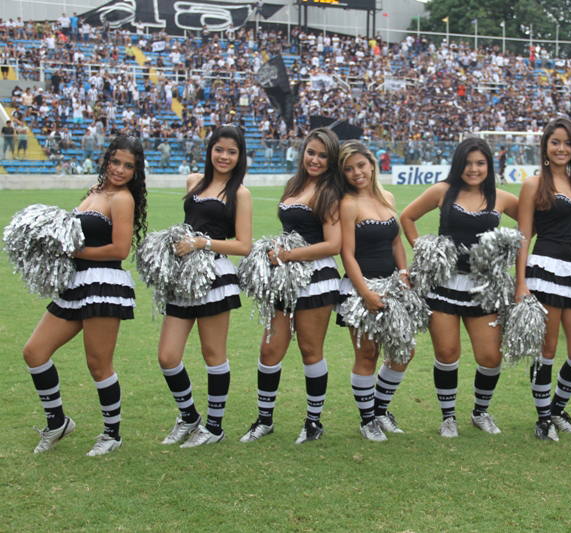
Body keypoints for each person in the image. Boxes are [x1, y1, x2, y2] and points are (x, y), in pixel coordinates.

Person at [22, 135, 148, 456]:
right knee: (34, 352)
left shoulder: (122, 199)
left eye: (128, 166)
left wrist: (75, 248)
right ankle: (58, 422)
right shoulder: (95, 191)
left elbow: (119, 249)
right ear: (106, 159)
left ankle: (112, 434)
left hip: (103, 283)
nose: (120, 170)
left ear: (136, 171)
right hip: (75, 282)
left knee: (98, 364)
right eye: (116, 161)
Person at [400, 137, 519, 438]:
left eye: (480, 163)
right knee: (447, 353)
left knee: (490, 357)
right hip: (444, 284)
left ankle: (481, 412)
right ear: (458, 164)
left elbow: (533, 223)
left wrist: (509, 247)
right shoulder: (443, 191)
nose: (474, 169)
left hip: (484, 287)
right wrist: (425, 251)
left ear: (489, 166)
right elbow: (407, 217)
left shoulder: (501, 197)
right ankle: (448, 417)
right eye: (467, 163)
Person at [240, 128, 342, 444]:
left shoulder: (329, 192)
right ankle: (264, 419)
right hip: (284, 278)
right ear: (303, 153)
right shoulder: (293, 185)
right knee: (270, 348)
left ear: (332, 160)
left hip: (316, 278)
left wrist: (288, 255)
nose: (315, 159)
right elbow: (291, 229)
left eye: (323, 155)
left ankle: (313, 422)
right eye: (311, 152)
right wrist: (274, 248)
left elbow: (333, 244)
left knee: (310, 350)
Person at [158, 125, 253, 448]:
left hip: (215, 276)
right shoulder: (193, 182)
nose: (224, 156)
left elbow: (243, 245)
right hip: (183, 276)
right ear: (210, 149)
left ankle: (214, 426)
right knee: (167, 356)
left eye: (232, 151)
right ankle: (189, 418)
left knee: (213, 354)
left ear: (240, 156)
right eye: (219, 149)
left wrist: (202, 243)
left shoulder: (240, 193)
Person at [514, 117, 571, 441]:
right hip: (545, 271)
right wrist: (521, 283)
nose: (561, 148)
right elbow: (523, 236)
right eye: (555, 142)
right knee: (546, 351)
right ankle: (543, 418)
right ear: (545, 147)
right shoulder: (534, 184)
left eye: (567, 143)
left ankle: (557, 407)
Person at [333, 141, 412, 441]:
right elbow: (347, 254)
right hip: (360, 288)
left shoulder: (387, 196)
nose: (356, 173)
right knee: (367, 354)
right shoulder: (348, 203)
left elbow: (396, 242)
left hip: (393, 286)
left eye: (361, 165)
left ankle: (379, 409)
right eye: (349, 169)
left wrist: (403, 273)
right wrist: (364, 292)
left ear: (372, 164)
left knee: (405, 351)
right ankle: (368, 420)